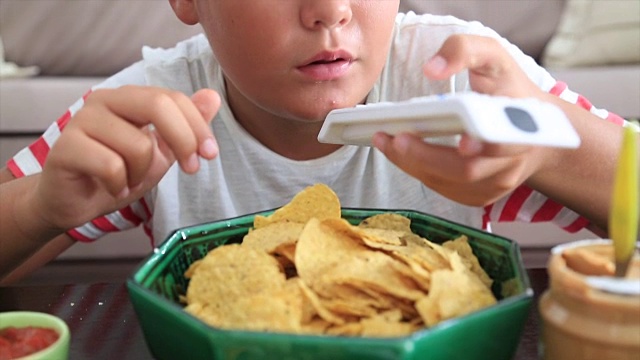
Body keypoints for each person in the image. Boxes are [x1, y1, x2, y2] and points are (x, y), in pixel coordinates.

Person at [0, 0, 629, 283]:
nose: (330, 9)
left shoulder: (460, 80)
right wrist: (41, 209)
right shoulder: (152, 112)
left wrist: (550, 145)